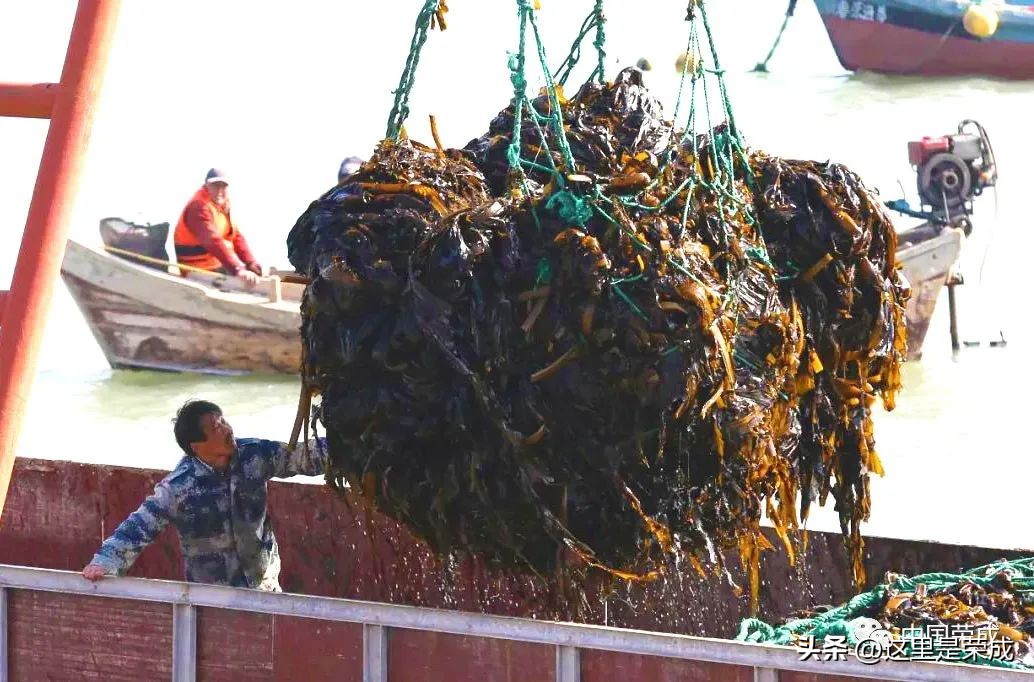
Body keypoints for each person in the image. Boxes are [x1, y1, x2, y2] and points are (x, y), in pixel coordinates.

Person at [81, 400, 326, 591]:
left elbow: (301, 458)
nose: (226, 429)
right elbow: (137, 528)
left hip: (265, 589)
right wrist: (105, 562)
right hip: (212, 600)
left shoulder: (254, 455)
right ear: (196, 447)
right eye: (215, 427)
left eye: (224, 421)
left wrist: (349, 446)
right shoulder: (179, 487)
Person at [174, 168, 263, 286]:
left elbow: (236, 237)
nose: (220, 191)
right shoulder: (198, 207)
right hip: (197, 270)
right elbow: (212, 240)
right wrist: (237, 269)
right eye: (215, 185)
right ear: (206, 185)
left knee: (258, 277)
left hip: (217, 266)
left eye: (224, 186)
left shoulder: (222, 205)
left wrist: (250, 262)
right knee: (246, 282)